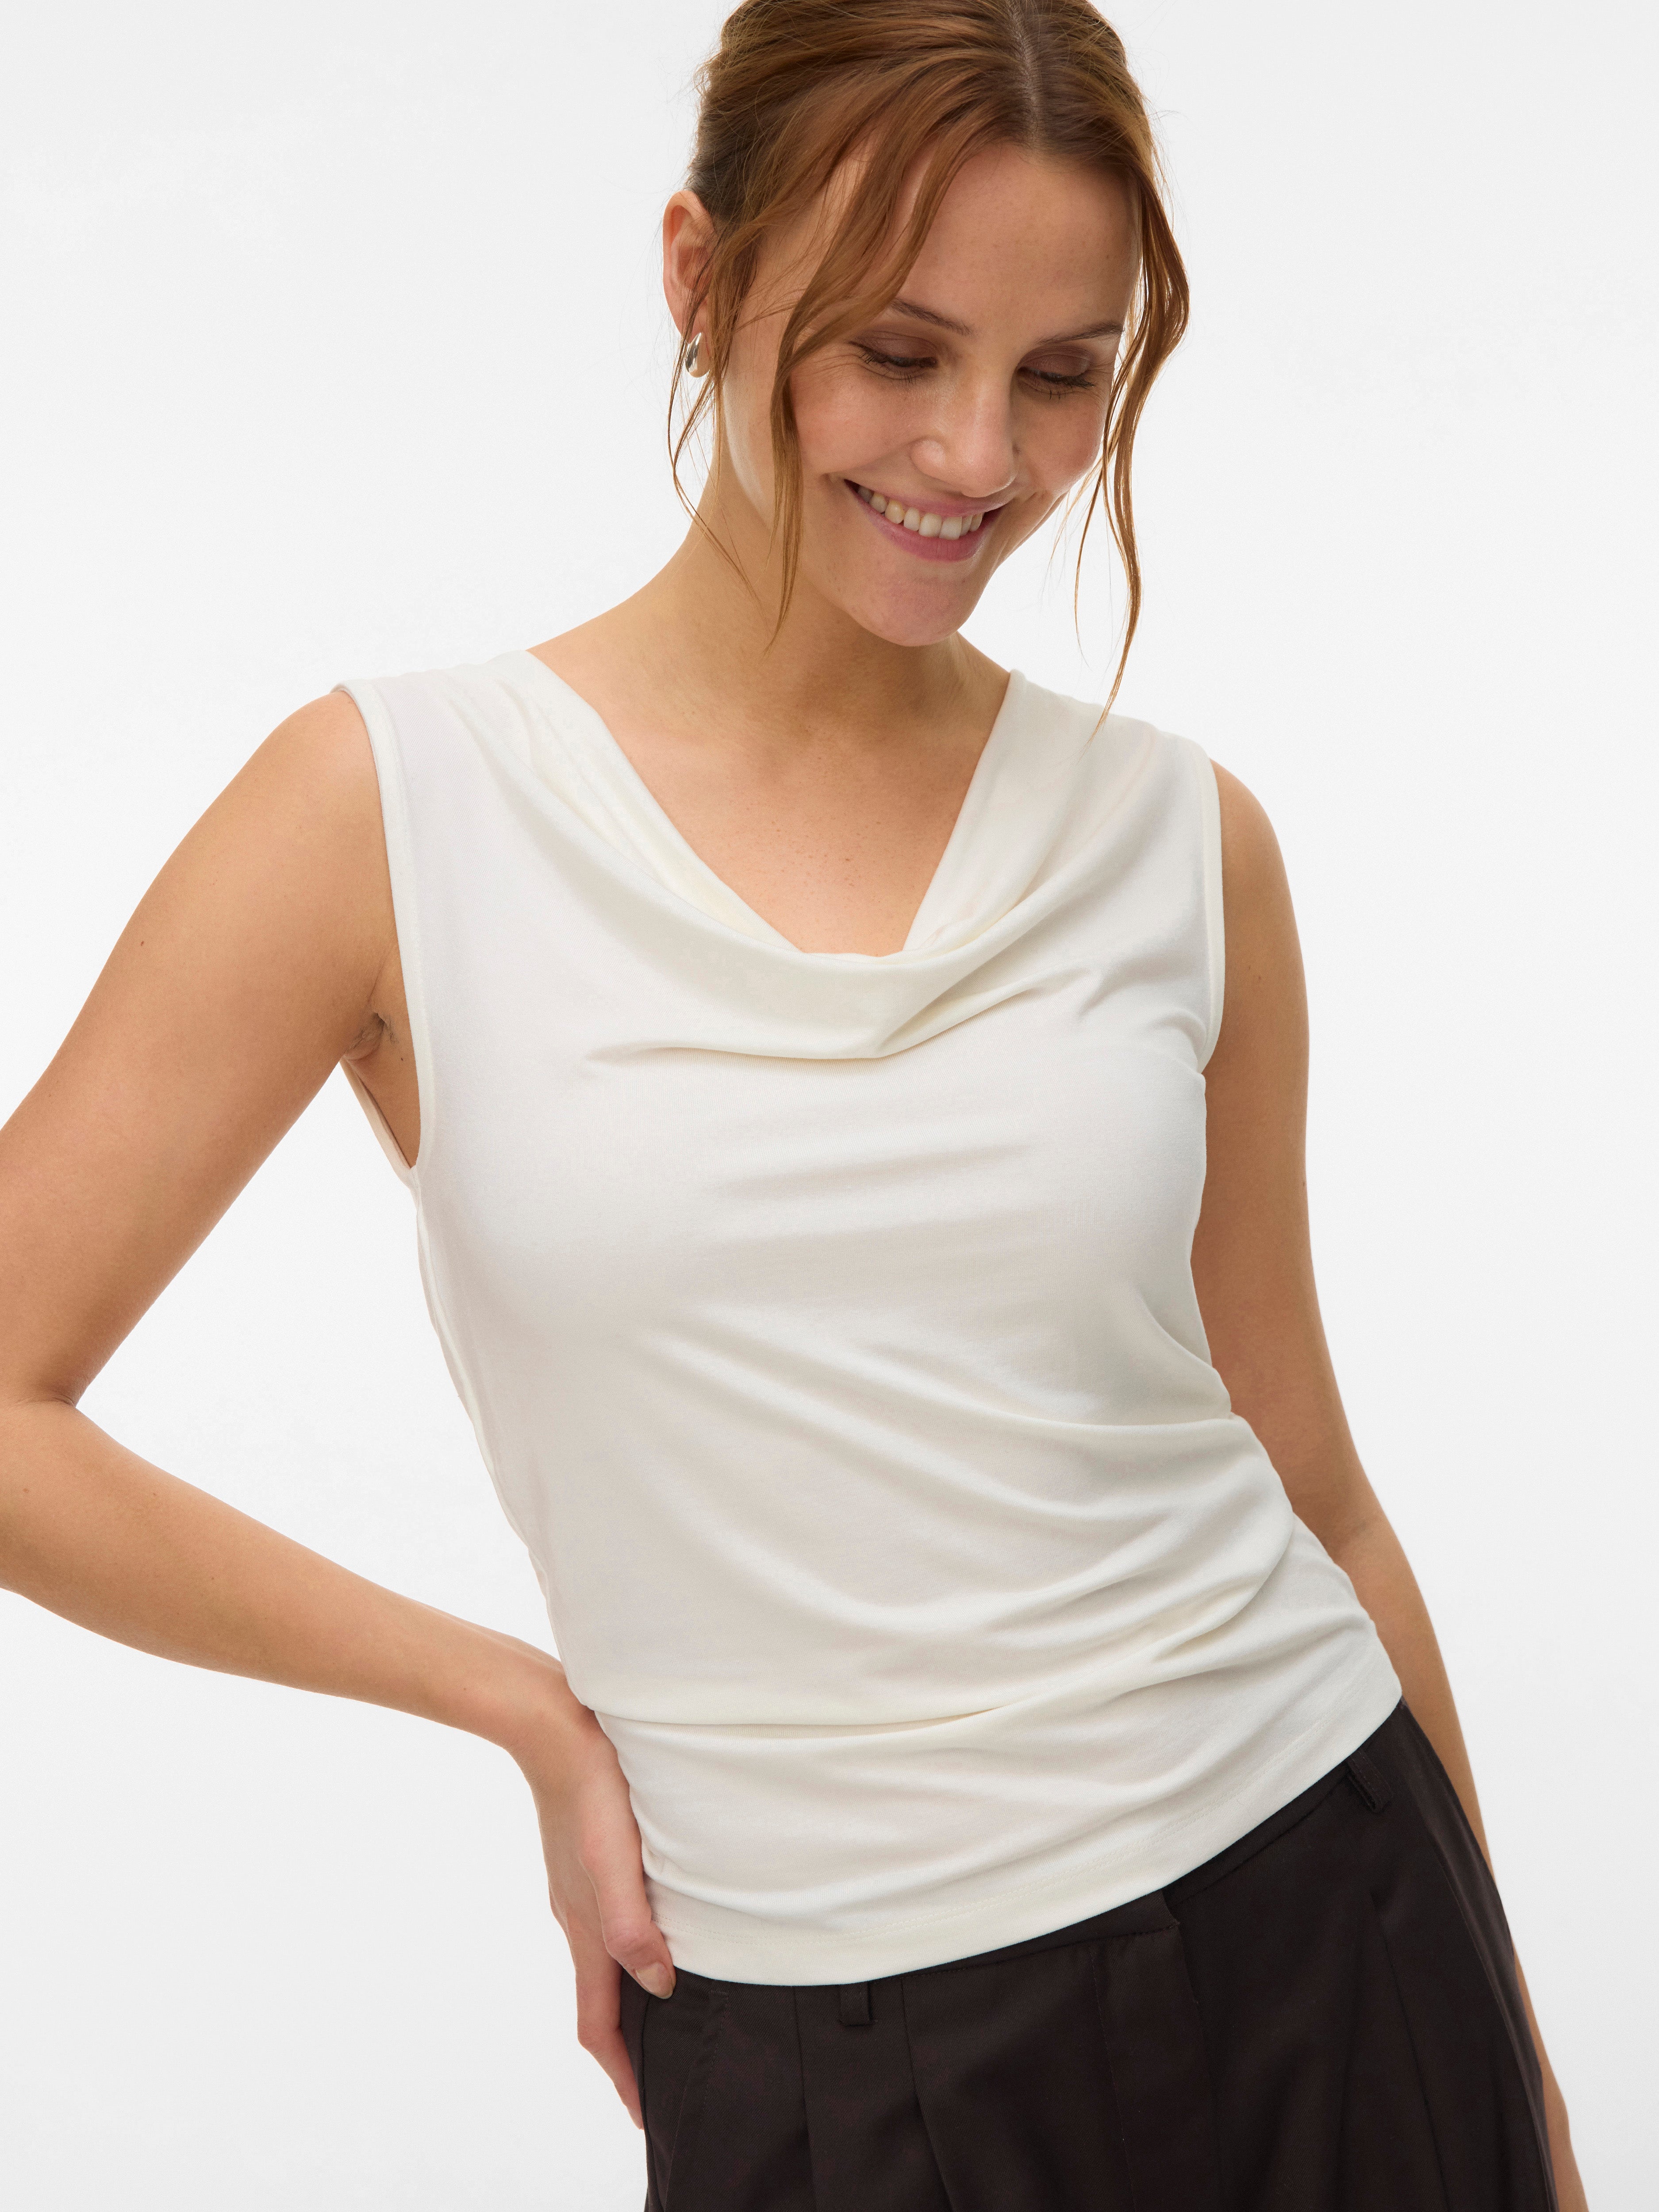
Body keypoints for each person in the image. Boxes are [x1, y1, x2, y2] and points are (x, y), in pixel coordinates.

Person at [0, 2, 1586, 2206]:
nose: (975, 457)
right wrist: (513, 1699)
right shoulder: (393, 808)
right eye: (894, 350)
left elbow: (1311, 1486)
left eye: (1061, 374)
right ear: (699, 277)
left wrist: (1528, 2088)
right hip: (817, 2031)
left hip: (1327, 1919)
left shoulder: (1179, 841)